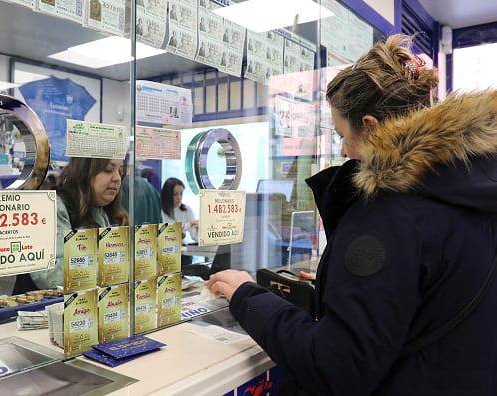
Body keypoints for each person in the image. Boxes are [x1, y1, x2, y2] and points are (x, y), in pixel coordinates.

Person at [206, 34, 497, 395]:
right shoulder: (469, 189)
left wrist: (248, 297)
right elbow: (433, 292)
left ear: (372, 127)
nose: (343, 149)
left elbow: (335, 367)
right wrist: (345, 284)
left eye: (342, 133)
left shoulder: (390, 211)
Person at [17, 157, 128, 292]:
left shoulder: (103, 210)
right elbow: (49, 275)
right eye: (108, 170)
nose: (117, 178)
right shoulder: (55, 205)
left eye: (120, 171)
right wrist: (117, 268)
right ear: (85, 171)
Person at [161, 177, 198, 243]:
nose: (179, 197)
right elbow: (164, 233)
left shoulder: (187, 210)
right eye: (175, 194)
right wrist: (188, 225)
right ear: (167, 195)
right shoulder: (159, 211)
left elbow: (195, 235)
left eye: (181, 193)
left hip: (182, 250)